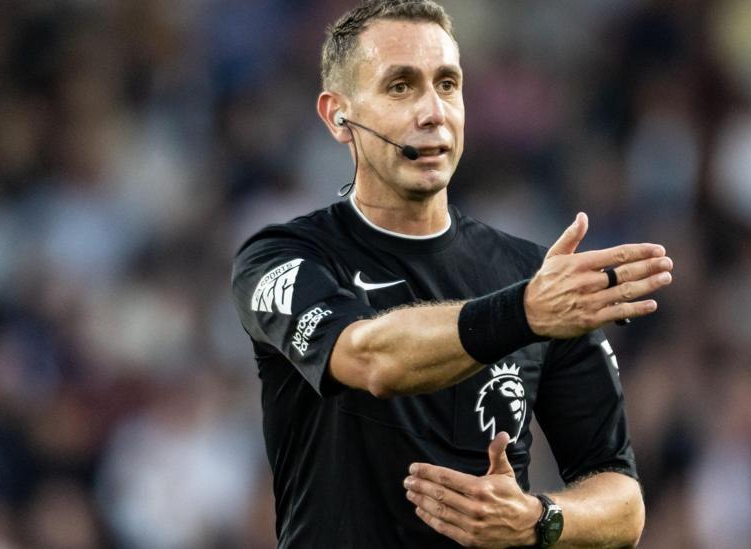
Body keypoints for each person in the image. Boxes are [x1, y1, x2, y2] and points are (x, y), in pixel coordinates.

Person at [230, 1, 673, 546]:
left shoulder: (533, 275)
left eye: (447, 84)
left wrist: (540, 518)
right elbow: (370, 358)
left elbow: (623, 500)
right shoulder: (283, 258)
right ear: (337, 116)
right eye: (400, 87)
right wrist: (524, 313)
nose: (433, 111)